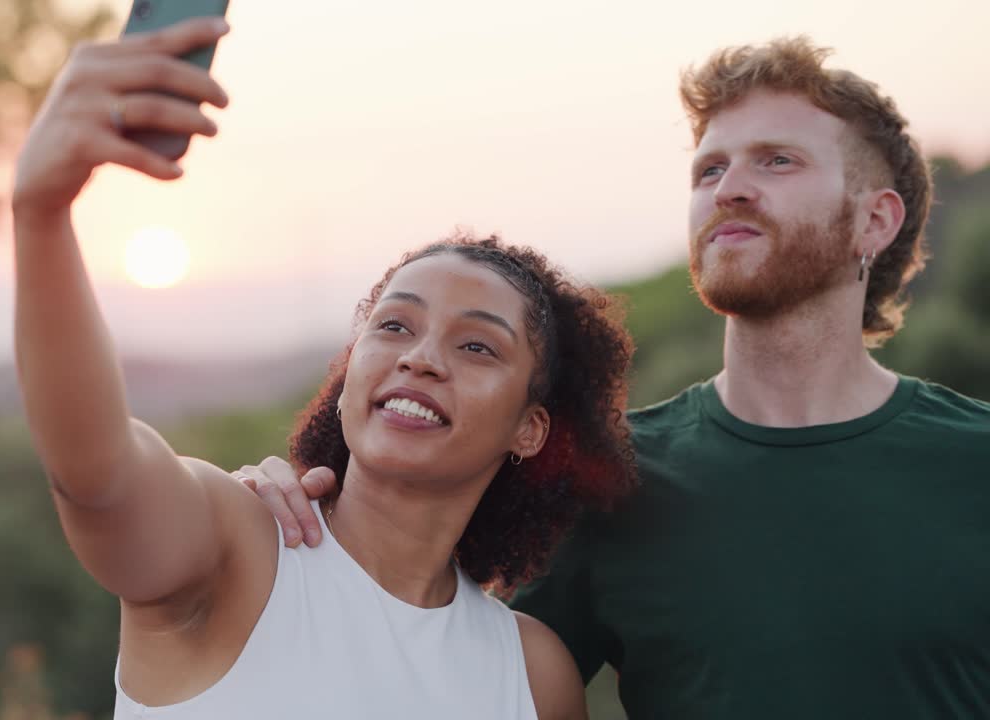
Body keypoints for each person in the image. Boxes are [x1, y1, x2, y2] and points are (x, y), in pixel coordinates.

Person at [245, 37, 990, 719]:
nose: (729, 186)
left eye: (777, 160)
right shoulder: (606, 483)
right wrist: (280, 524)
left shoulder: (974, 463)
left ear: (875, 221)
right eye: (710, 168)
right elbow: (426, 656)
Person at [11, 17, 638, 719]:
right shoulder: (232, 546)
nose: (421, 357)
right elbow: (96, 472)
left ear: (530, 427)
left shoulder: (533, 675)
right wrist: (42, 216)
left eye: (476, 347)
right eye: (394, 325)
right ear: (349, 375)